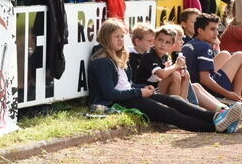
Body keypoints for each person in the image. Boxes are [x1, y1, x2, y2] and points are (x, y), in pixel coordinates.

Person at [88, 18, 241, 132]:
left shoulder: (118, 56)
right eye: (117, 37)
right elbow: (111, 93)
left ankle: (219, 116)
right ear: (106, 37)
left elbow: (126, 84)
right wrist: (139, 91)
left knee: (175, 100)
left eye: (122, 36)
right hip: (118, 102)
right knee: (169, 113)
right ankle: (216, 127)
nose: (121, 40)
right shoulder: (102, 61)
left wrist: (142, 88)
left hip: (131, 95)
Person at [184, 14, 242, 103]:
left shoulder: (188, 44)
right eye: (212, 29)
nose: (216, 33)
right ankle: (236, 99)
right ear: (200, 31)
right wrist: (228, 94)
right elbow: (205, 79)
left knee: (224, 54)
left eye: (217, 29)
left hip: (193, 85)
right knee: (240, 55)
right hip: (205, 90)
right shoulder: (205, 47)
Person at [132, 25, 191, 99]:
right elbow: (162, 74)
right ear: (154, 40)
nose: (163, 44)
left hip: (156, 88)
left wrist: (177, 67)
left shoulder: (165, 56)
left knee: (185, 74)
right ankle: (177, 104)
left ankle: (183, 103)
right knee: (174, 75)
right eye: (160, 40)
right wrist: (176, 65)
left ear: (172, 45)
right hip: (145, 90)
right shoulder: (149, 55)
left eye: (167, 42)